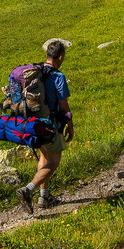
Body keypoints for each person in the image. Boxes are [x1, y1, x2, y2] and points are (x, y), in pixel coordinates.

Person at [17, 37, 73, 213]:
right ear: (60, 57)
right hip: (51, 124)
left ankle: (44, 196)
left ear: (47, 54)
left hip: (33, 123)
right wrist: (70, 125)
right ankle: (28, 190)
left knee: (44, 157)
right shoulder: (58, 76)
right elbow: (64, 106)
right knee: (54, 161)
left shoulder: (36, 72)